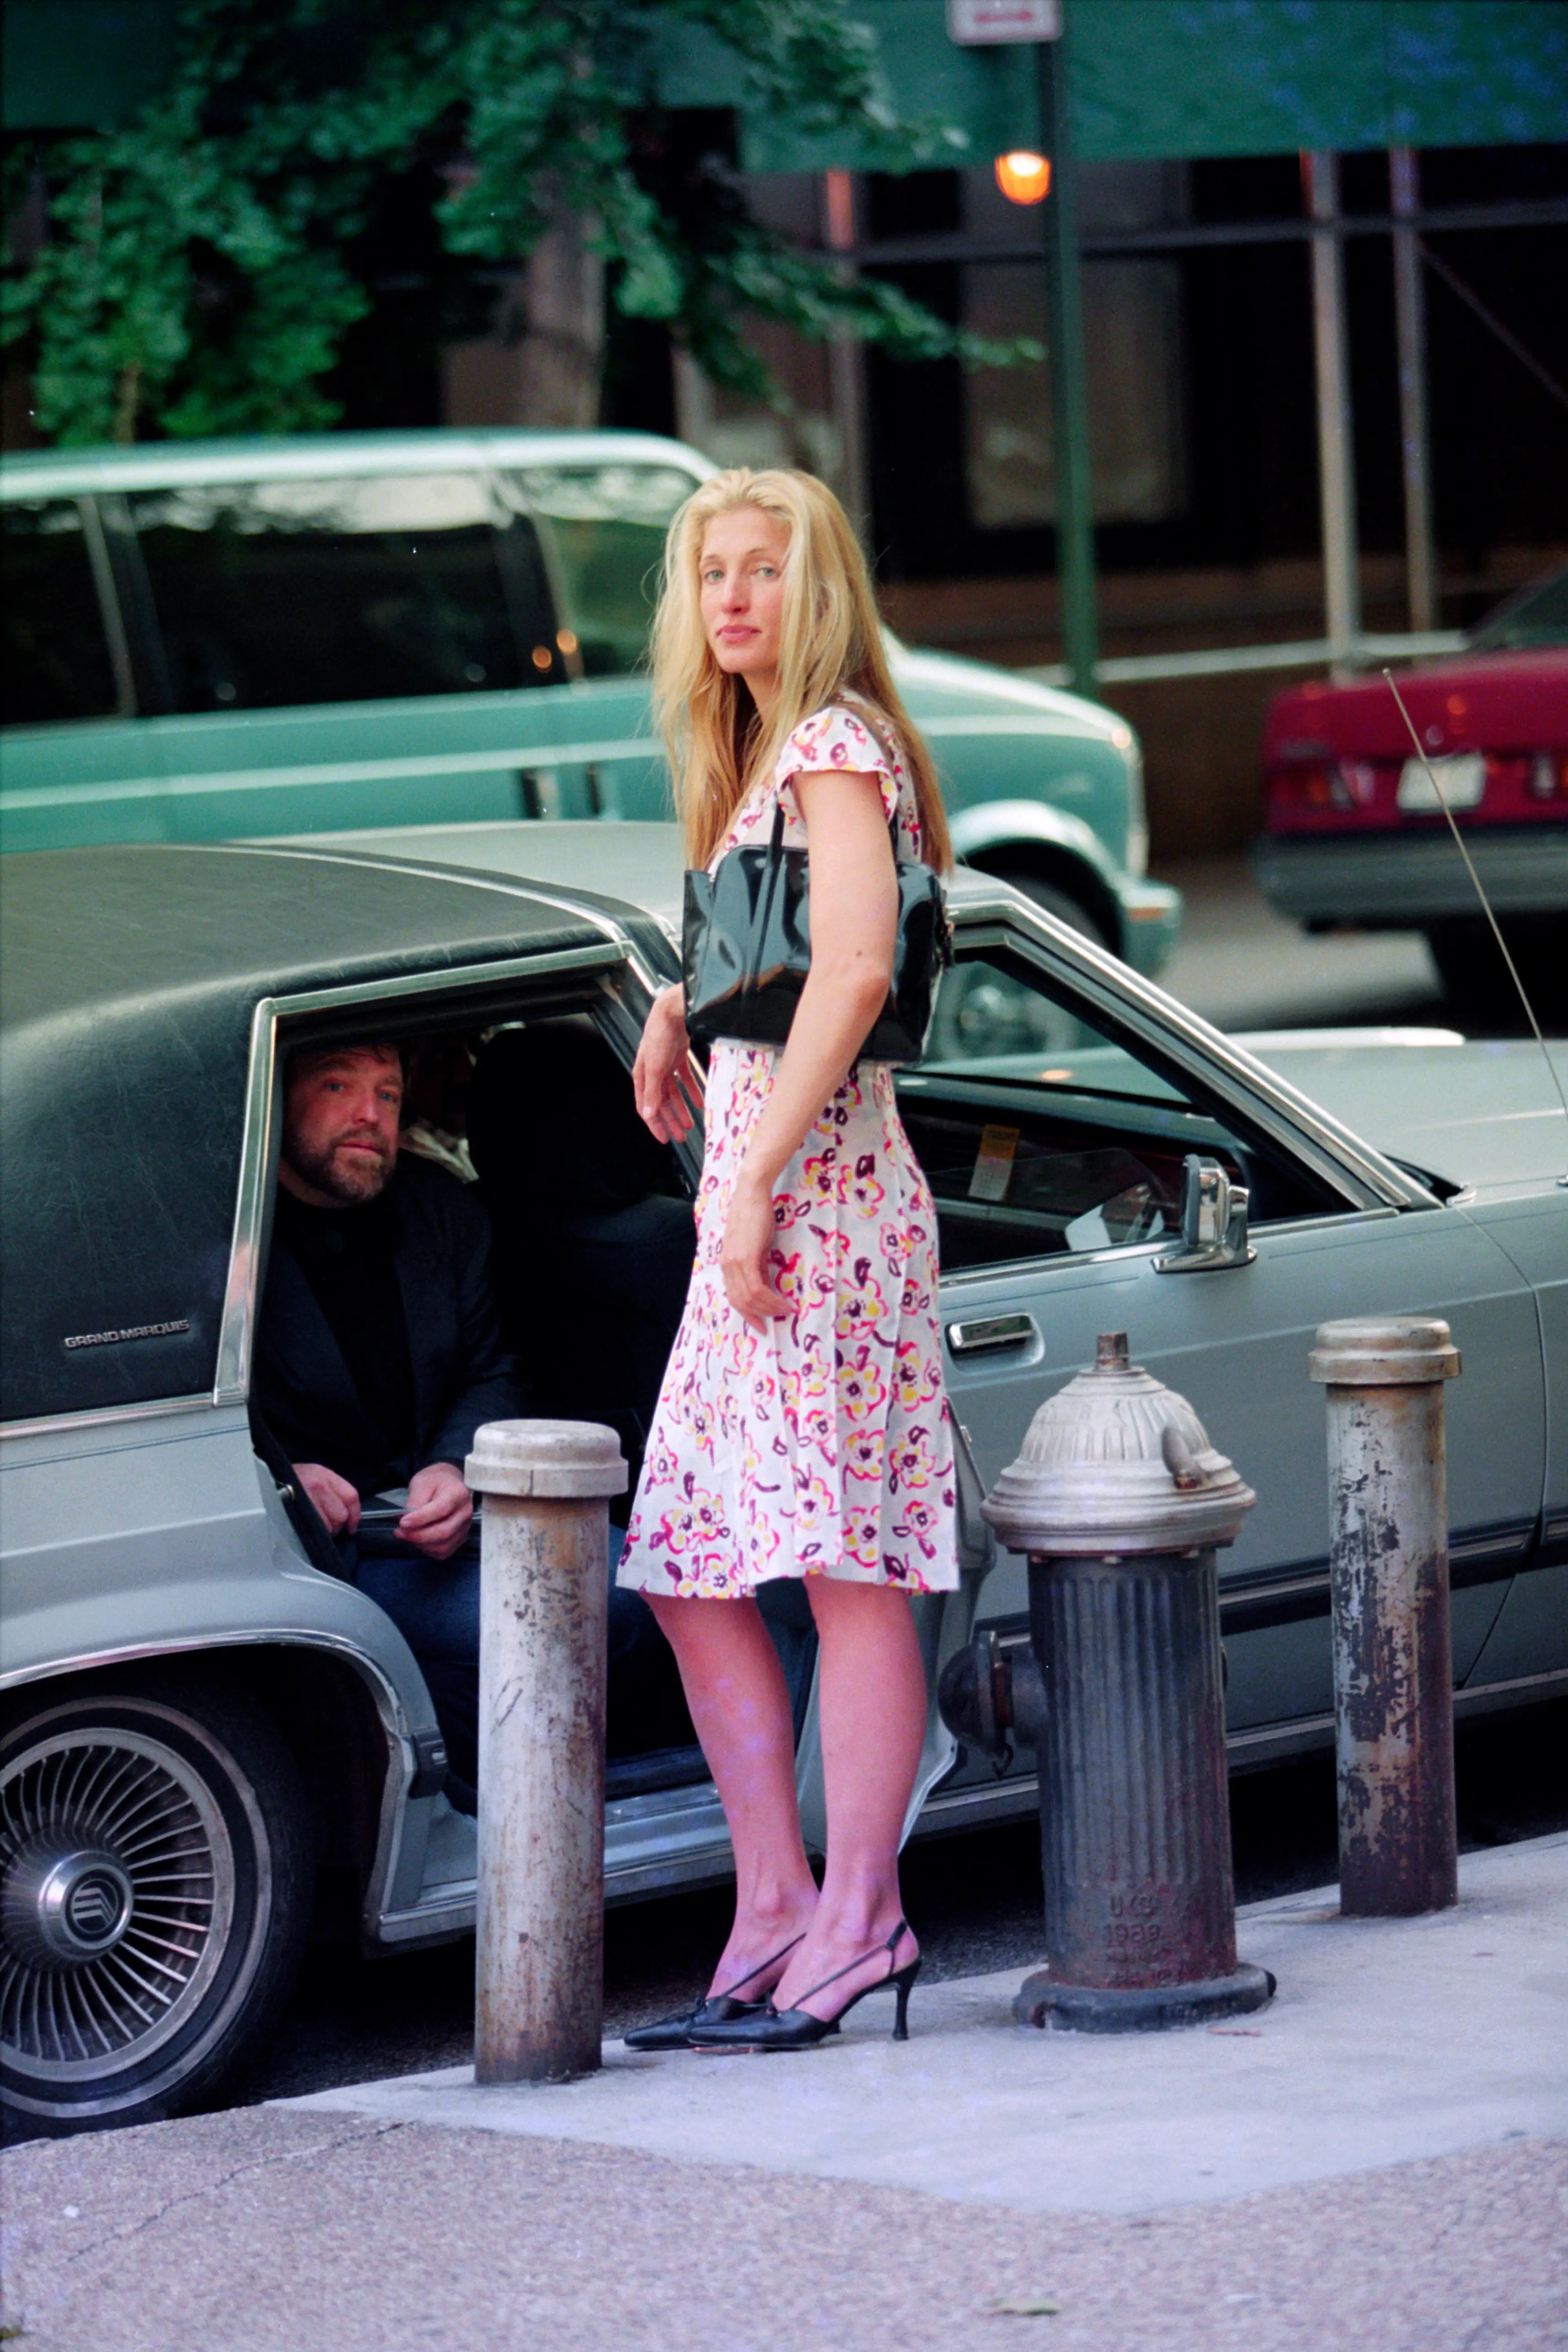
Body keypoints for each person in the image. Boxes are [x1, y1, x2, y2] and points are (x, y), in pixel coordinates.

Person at [617, 467, 959, 2052]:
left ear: (813, 590)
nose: (733, 598)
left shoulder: (832, 741)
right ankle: (772, 1901)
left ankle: (861, 1917)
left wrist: (750, 1177)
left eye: (763, 569)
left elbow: (859, 966)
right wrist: (676, 1001)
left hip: (819, 1209)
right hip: (753, 1211)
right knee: (689, 1563)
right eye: (712, 574)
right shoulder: (756, 755)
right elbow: (782, 949)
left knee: (843, 1568)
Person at [253, 1039, 665, 1791]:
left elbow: (494, 1366)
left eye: (387, 1093)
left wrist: (454, 1466)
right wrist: (280, 1477)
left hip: (446, 1530)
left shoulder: (440, 1210)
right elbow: (186, 1404)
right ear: (276, 1100)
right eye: (338, 1086)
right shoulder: (232, 1233)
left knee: (639, 1593)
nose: (369, 1114)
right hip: (309, 1555)